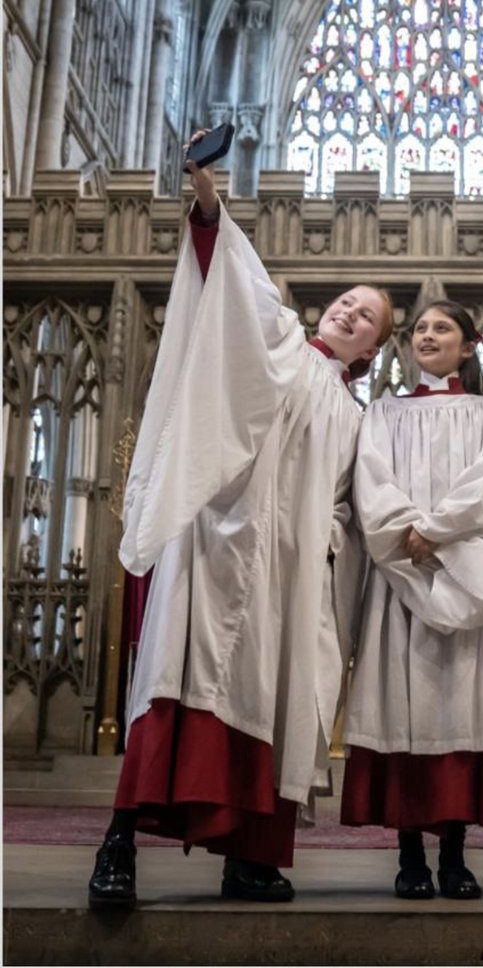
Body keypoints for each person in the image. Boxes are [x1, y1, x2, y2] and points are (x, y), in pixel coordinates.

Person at [88, 135, 394, 909]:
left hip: (288, 575)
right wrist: (205, 195)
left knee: (268, 699)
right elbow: (231, 269)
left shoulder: (357, 415)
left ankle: (249, 858)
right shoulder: (280, 338)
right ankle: (118, 846)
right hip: (218, 537)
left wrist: (324, 549)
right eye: (349, 300)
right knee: (174, 677)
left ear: (372, 352)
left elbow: (354, 509)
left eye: (368, 316)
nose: (352, 311)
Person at [340, 300, 483, 900]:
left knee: (459, 710)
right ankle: (410, 855)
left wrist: (436, 533)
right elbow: (372, 484)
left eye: (442, 328)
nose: (427, 336)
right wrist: (407, 537)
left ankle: (456, 855)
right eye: (419, 329)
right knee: (403, 710)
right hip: (399, 580)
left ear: (469, 347)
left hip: (461, 573)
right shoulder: (382, 413)